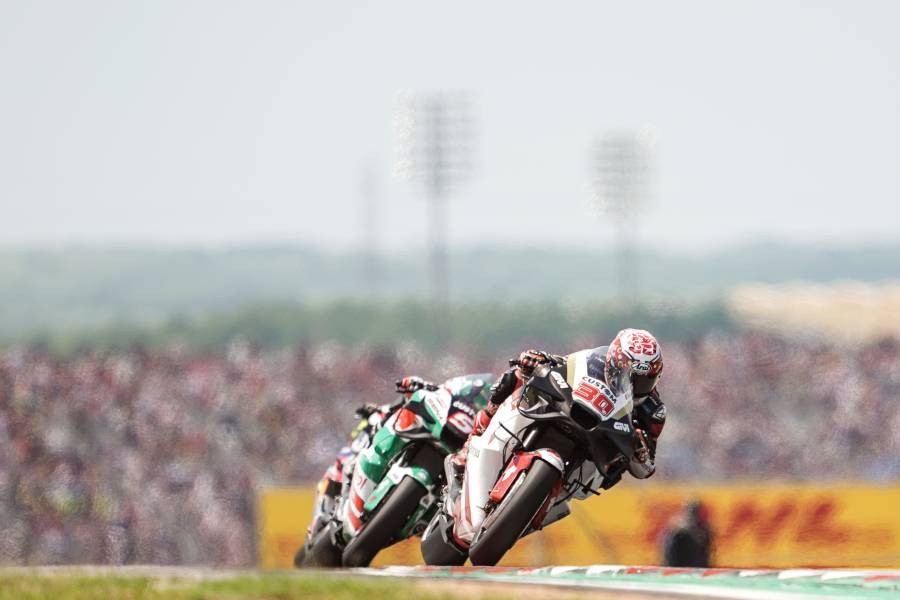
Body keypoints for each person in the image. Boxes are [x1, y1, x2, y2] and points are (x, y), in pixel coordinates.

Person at [452, 328, 666, 488]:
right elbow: (565, 365)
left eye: (643, 380)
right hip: (570, 410)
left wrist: (640, 450)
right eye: (628, 375)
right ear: (614, 363)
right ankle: (472, 440)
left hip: (593, 459)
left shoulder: (653, 410)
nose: (633, 385)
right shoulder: (595, 363)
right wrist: (540, 359)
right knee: (516, 374)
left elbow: (646, 470)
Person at [662, 500, 714, 567]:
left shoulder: (705, 531)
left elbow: (707, 555)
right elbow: (671, 556)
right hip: (682, 568)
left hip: (699, 568)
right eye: (691, 511)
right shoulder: (677, 532)